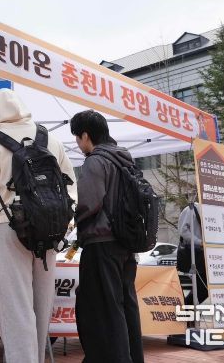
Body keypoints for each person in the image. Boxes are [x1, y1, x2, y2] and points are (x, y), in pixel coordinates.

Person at [0, 89, 76, 363]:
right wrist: (64, 222)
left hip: (7, 229)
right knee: (41, 305)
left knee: (15, 308)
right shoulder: (50, 139)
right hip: (49, 230)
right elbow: (70, 185)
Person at [70, 110, 144, 363]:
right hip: (126, 243)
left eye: (77, 138)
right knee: (126, 306)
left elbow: (88, 203)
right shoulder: (125, 159)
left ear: (86, 136)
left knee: (103, 310)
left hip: (101, 243)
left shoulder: (95, 162)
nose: (78, 145)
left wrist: (74, 220)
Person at [176, 202, 208, 305]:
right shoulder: (191, 209)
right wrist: (200, 242)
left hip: (209, 255)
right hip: (196, 253)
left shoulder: (214, 210)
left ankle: (187, 310)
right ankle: (187, 309)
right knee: (202, 288)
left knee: (204, 288)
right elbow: (183, 231)